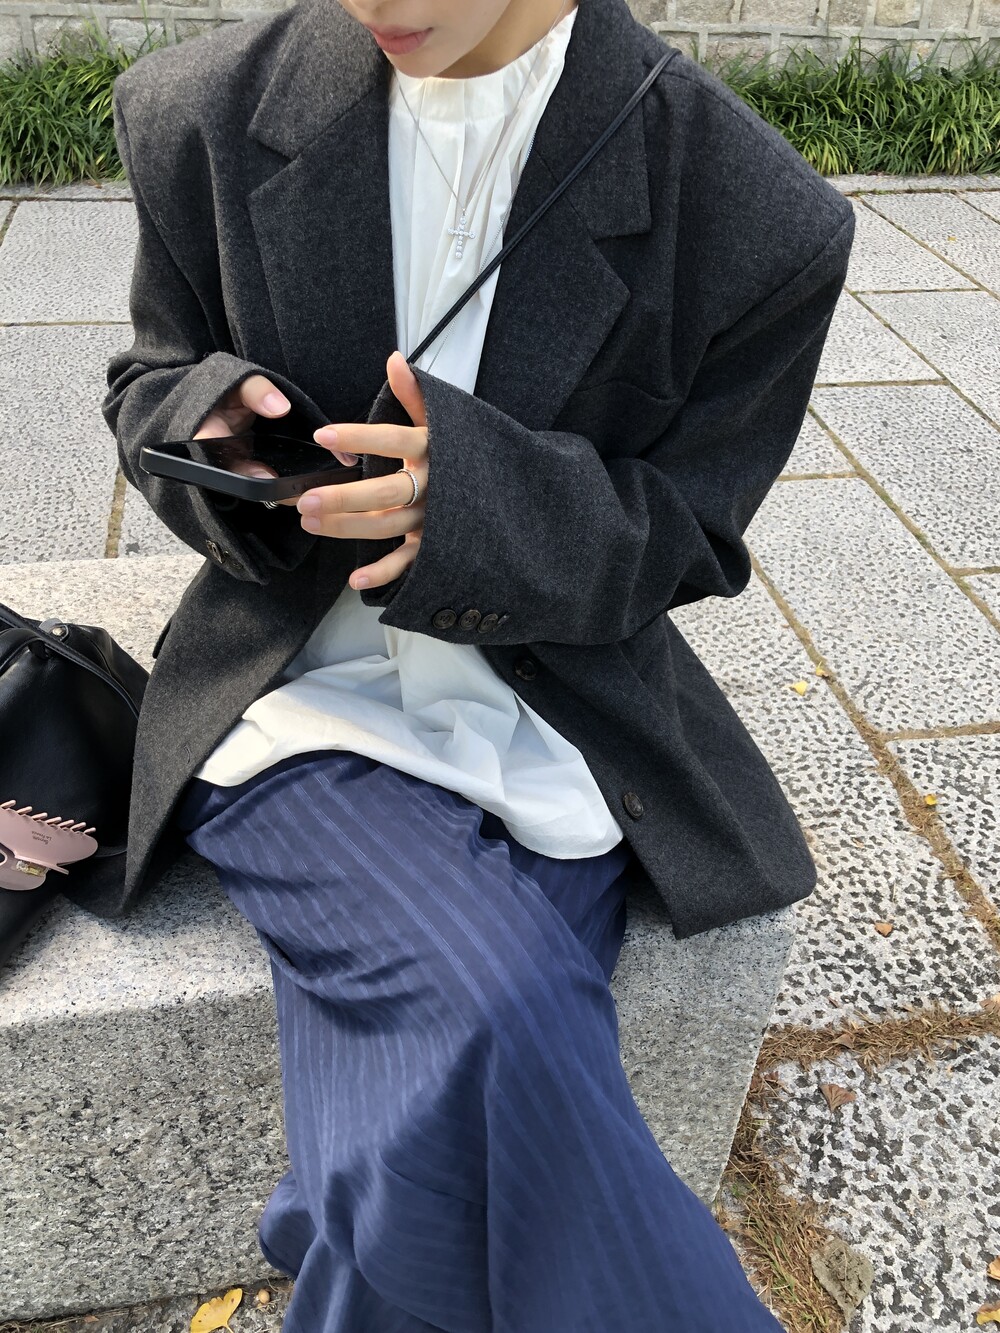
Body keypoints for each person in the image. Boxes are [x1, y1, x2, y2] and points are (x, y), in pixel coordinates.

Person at [102, 0, 855, 1327]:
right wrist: (210, 424)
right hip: (299, 699)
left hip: (561, 718)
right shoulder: (201, 113)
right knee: (503, 1007)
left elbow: (691, 532)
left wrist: (482, 509)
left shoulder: (756, 213)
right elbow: (146, 380)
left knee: (417, 1136)